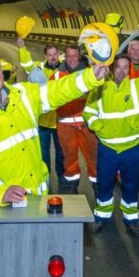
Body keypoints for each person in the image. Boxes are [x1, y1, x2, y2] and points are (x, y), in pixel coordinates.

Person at [0, 56, 107, 205]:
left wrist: (90, 76)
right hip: (2, 203)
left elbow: (58, 90)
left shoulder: (24, 94)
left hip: (38, 194)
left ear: (2, 74)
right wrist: (0, 191)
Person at [84, 39, 139, 237]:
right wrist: (99, 127)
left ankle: (131, 219)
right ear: (112, 69)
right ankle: (102, 216)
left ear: (130, 69)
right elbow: (88, 112)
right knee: (104, 184)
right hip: (108, 149)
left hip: (132, 149)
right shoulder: (100, 88)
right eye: (118, 67)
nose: (122, 71)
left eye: (126, 67)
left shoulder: (138, 87)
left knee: (131, 186)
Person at [17, 39, 66, 189]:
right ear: (45, 56)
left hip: (60, 120)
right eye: (49, 54)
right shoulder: (39, 70)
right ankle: (46, 181)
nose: (52, 57)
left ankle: (62, 179)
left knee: (62, 154)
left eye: (55, 54)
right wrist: (22, 48)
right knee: (43, 155)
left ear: (58, 55)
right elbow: (27, 66)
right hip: (43, 121)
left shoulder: (64, 71)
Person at [52, 45, 97, 194]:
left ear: (79, 57)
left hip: (87, 125)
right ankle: (71, 192)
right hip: (65, 126)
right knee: (69, 162)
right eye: (69, 56)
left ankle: (100, 192)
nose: (71, 59)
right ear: (64, 57)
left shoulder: (89, 74)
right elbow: (50, 98)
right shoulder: (57, 76)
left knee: (94, 159)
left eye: (74, 56)